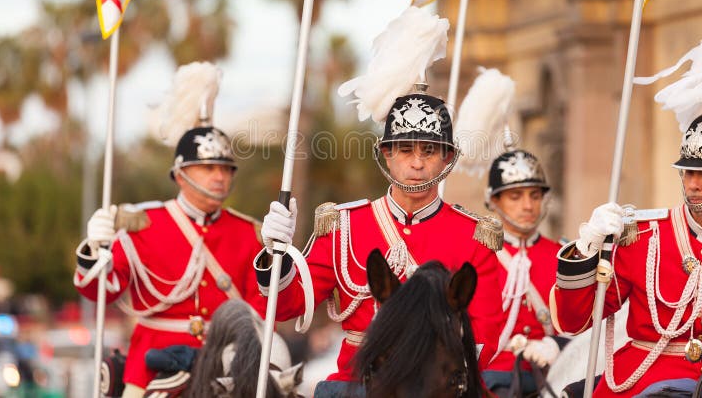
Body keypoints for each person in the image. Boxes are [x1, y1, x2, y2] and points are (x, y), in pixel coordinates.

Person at [257, 87, 507, 397]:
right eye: (404, 150)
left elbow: (485, 337)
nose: (416, 164)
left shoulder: (474, 236)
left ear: (448, 158)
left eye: (428, 151)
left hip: (436, 386)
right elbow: (285, 307)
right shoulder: (342, 226)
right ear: (386, 154)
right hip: (356, 383)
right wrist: (274, 255)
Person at [551, 96, 702, 396]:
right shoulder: (643, 236)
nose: (693, 184)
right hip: (640, 378)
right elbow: (573, 321)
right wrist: (586, 250)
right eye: (687, 171)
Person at [74, 100, 266, 395]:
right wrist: (94, 252)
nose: (219, 177)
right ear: (180, 174)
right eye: (208, 167)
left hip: (227, 364)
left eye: (226, 169)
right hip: (153, 365)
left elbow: (261, 311)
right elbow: (104, 290)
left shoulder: (248, 232)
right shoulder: (144, 223)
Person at [480, 148, 569, 396]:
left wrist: (556, 344)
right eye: (516, 196)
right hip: (490, 378)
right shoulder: (478, 254)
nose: (528, 206)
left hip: (554, 375)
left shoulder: (565, 255)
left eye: (535, 195)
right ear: (494, 201)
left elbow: (582, 325)